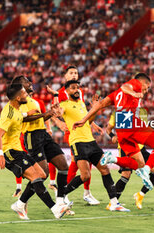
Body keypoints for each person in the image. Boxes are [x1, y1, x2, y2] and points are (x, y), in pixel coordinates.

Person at [73, 73, 154, 190]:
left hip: (121, 129)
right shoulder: (136, 84)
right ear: (144, 82)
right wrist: (134, 93)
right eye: (147, 87)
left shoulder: (116, 94)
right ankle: (147, 170)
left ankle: (112, 159)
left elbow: (100, 104)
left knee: (139, 163)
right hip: (130, 122)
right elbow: (125, 87)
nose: (147, 90)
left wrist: (84, 119)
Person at [0, 83, 71, 220]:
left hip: (18, 150)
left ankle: (19, 204)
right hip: (10, 152)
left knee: (42, 175)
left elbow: (21, 117)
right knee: (36, 178)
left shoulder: (17, 110)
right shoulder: (9, 113)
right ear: (18, 98)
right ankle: (56, 209)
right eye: (24, 93)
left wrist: (31, 113)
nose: (27, 94)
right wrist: (0, 155)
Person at [55, 80, 129, 212]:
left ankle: (114, 203)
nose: (76, 90)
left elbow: (88, 121)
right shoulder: (64, 104)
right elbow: (59, 111)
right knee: (85, 176)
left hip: (91, 141)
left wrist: (96, 108)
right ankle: (61, 195)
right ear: (67, 91)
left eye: (78, 87)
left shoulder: (82, 104)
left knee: (105, 169)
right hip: (78, 142)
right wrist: (58, 114)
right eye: (73, 88)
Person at [50, 65, 101, 205]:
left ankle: (85, 192)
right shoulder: (61, 93)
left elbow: (83, 112)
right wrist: (58, 123)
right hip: (72, 132)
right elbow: (52, 112)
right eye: (71, 73)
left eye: (76, 73)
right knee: (76, 161)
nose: (74, 75)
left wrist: (92, 124)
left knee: (85, 161)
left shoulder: (79, 92)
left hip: (84, 130)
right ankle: (64, 192)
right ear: (66, 76)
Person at [106, 109, 154, 209]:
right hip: (126, 146)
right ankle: (113, 202)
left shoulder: (143, 111)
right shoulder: (117, 113)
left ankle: (140, 195)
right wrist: (112, 136)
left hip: (140, 147)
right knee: (126, 174)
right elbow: (108, 129)